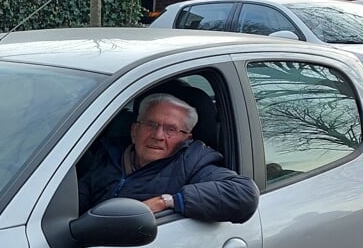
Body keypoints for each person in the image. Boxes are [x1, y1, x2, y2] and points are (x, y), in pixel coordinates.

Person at [78, 93, 258, 223]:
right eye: (150, 124)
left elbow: (244, 194)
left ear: (186, 138)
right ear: (134, 131)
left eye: (171, 129)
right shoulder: (108, 154)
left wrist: (167, 201)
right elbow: (76, 199)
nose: (158, 135)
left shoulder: (193, 164)